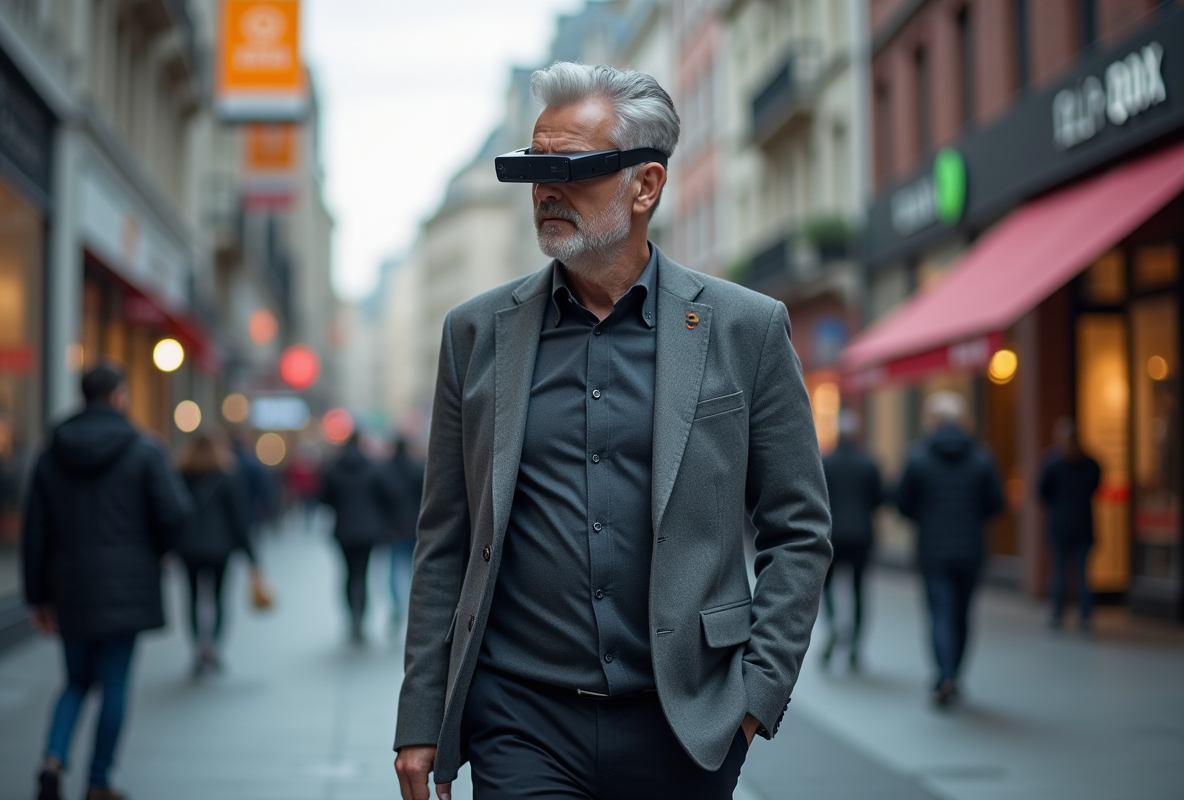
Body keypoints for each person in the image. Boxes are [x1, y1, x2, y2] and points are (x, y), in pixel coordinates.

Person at [394, 63, 831, 800]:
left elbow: (800, 528)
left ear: (645, 186)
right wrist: (419, 715)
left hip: (685, 723)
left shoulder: (746, 329)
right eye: (534, 168)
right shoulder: (474, 333)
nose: (546, 190)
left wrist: (753, 699)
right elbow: (446, 537)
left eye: (572, 169)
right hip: (520, 719)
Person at [22, 363, 193, 800]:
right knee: (114, 682)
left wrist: (37, 596)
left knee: (76, 680)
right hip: (127, 583)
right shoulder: (144, 449)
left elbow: (34, 529)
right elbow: (175, 513)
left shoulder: (51, 451)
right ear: (119, 395)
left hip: (70, 585)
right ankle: (98, 781)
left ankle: (53, 758)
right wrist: (155, 552)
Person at [895, 391, 1004, 708]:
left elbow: (903, 503)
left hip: (932, 550)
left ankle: (944, 675)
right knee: (962, 613)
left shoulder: (918, 457)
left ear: (934, 421)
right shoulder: (982, 458)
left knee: (940, 611)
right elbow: (995, 504)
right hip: (971, 549)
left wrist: (925, 516)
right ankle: (954, 673)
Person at [176, 431, 259, 676]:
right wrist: (251, 557)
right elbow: (238, 519)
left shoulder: (181, 474)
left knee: (192, 598)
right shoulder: (227, 476)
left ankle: (196, 648)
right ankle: (214, 647)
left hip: (188, 547)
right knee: (219, 598)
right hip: (220, 547)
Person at [820, 410, 883, 671]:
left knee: (827, 586)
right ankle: (856, 648)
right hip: (861, 535)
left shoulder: (826, 462)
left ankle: (834, 620)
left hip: (832, 535)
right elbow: (878, 499)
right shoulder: (868, 462)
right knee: (859, 591)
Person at [318, 431, 391, 644]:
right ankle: (360, 618)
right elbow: (386, 496)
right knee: (362, 574)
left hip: (344, 530)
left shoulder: (333, 470)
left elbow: (323, 498)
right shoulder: (373, 469)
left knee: (348, 574)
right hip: (369, 531)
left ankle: (352, 618)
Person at [1038, 417, 1102, 631]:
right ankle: (1084, 615)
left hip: (1061, 524)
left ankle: (1058, 613)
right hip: (1082, 523)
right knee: (1081, 573)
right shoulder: (1090, 463)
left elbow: (1042, 492)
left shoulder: (1052, 463)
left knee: (1061, 571)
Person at [381, 436, 424, 631]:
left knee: (393, 570)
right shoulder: (417, 469)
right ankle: (414, 607)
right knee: (412, 568)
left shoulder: (384, 471)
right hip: (413, 526)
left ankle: (397, 606)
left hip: (393, 528)